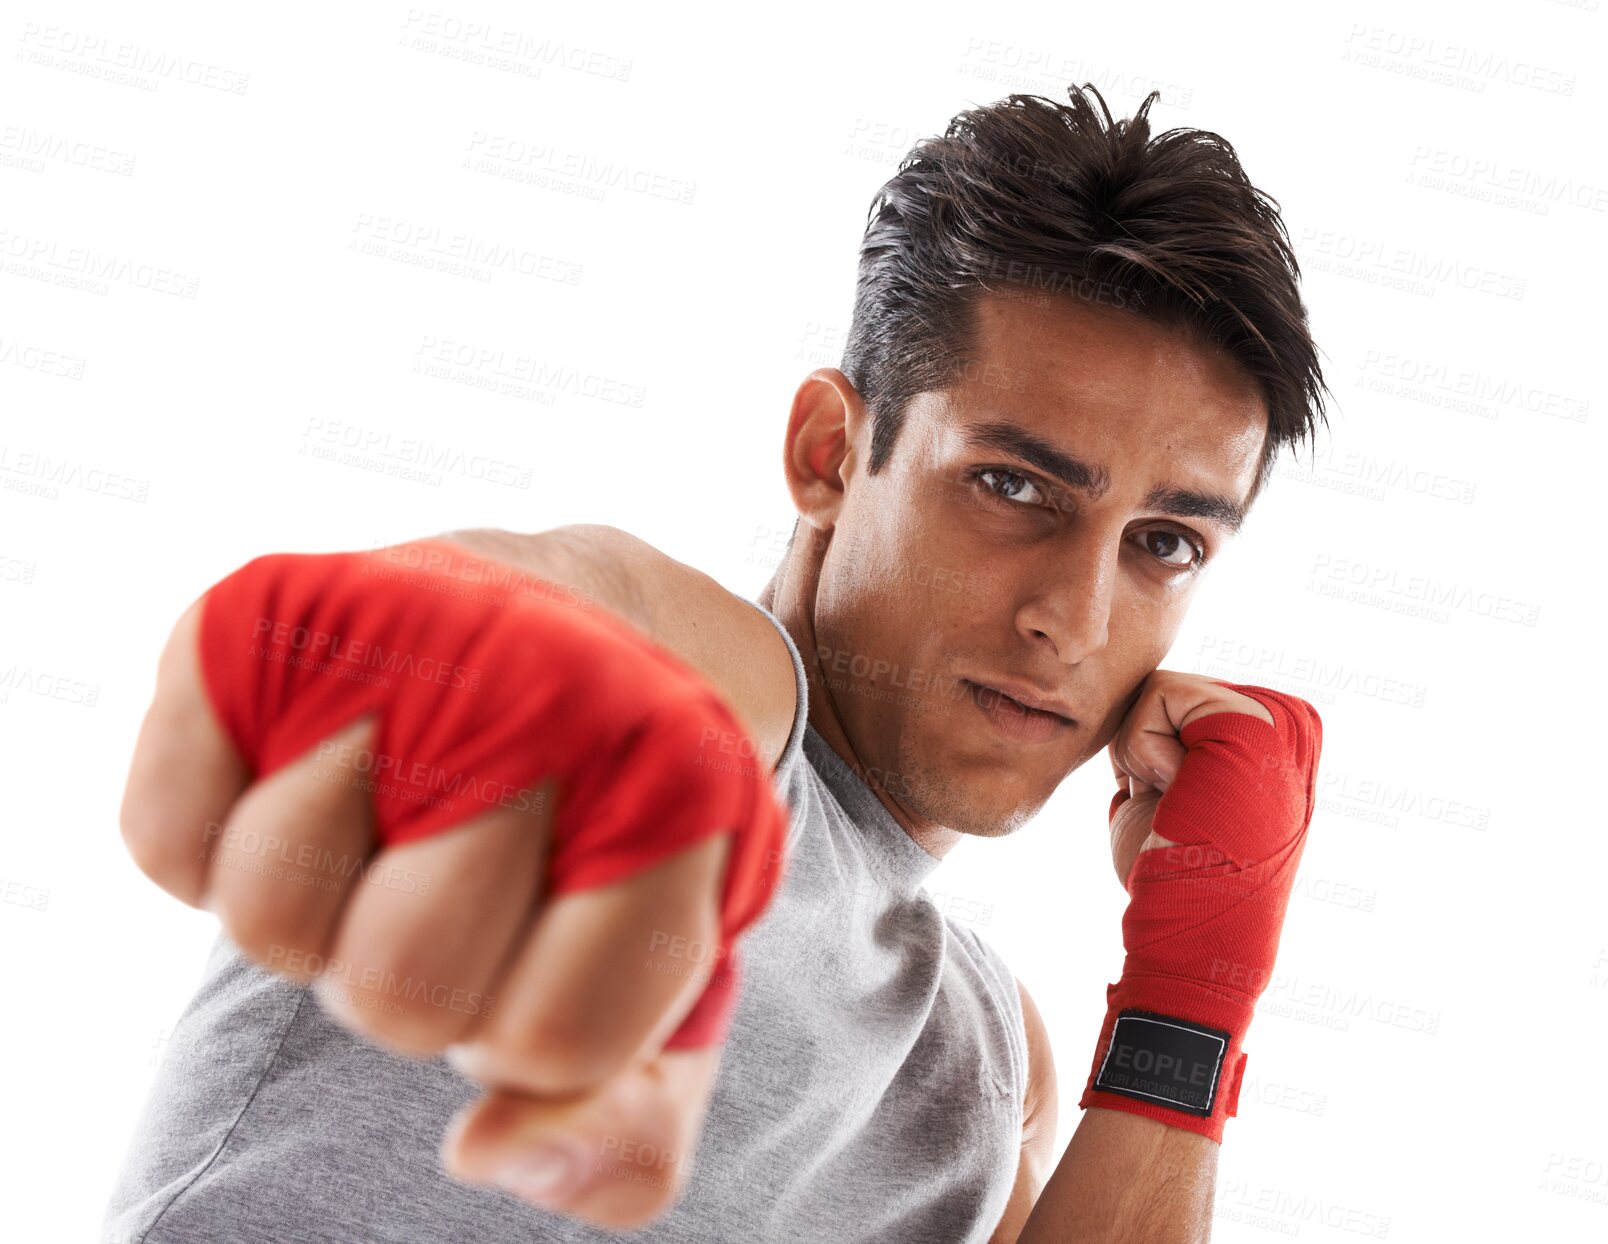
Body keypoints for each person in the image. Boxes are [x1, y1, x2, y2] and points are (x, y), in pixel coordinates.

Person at [103, 82, 1328, 1243]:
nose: (1075, 614)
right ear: (830, 452)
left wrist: (1193, 988)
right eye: (1012, 485)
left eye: (1164, 542)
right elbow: (602, 607)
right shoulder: (735, 714)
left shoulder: (984, 1067)